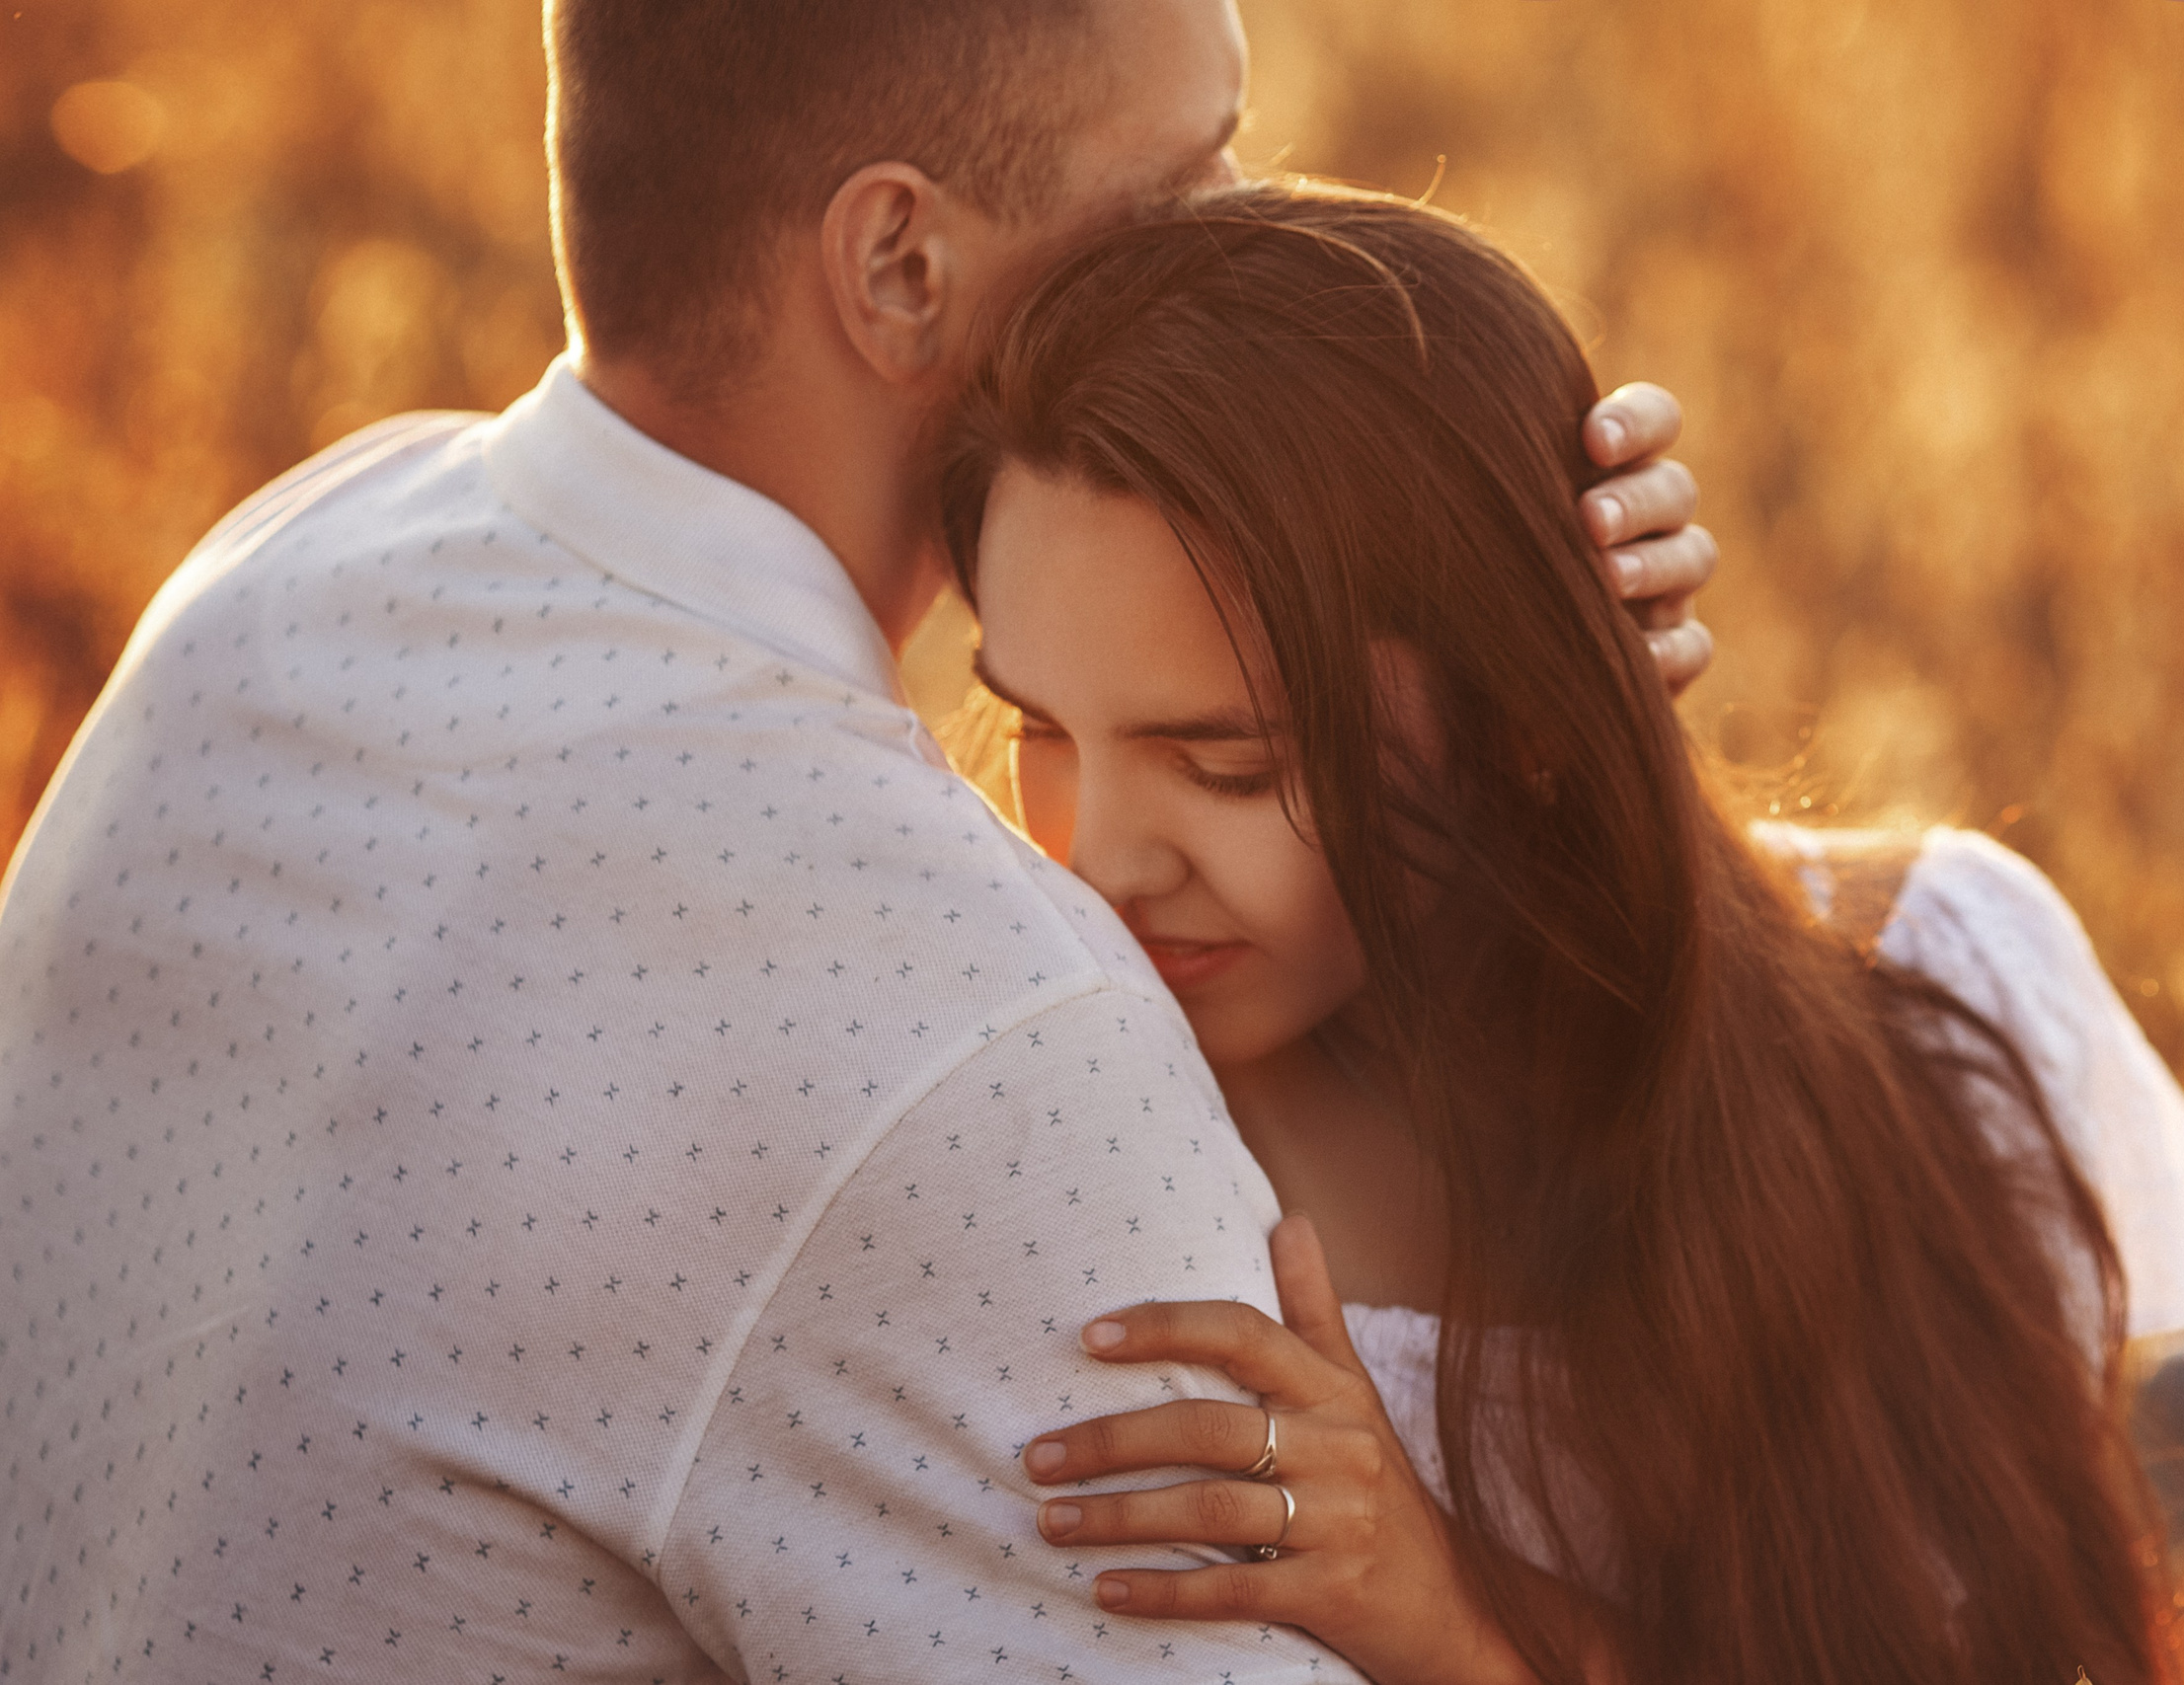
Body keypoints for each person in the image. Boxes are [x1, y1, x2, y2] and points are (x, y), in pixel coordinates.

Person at [0, 5, 1711, 1682]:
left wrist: (1495, 698)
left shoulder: (281, 570)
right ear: (900, 262)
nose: (1249, 229)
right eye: (1191, 176)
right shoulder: (977, 1035)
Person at [940, 181, 2184, 1684]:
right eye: (1036, 724)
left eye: (1227, 763)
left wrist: (1457, 1609)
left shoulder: (1938, 972)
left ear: (1513, 713)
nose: (1093, 857)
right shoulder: (1105, 1165)